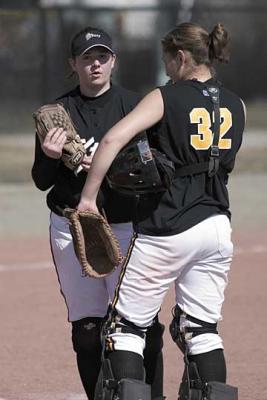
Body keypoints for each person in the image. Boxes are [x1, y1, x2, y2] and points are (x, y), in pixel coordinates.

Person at [77, 22, 246, 399]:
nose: (167, 69)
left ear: (181, 57)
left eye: (169, 61)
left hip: (168, 226)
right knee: (201, 329)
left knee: (125, 328)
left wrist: (89, 198)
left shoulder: (166, 97)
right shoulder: (237, 104)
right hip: (217, 226)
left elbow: (112, 138)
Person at [31, 26, 165, 400]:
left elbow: (155, 170)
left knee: (142, 325)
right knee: (88, 329)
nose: (95, 64)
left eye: (102, 56)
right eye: (87, 58)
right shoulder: (57, 113)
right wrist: (51, 156)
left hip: (125, 225)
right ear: (73, 64)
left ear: (113, 61)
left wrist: (110, 164)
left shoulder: (135, 106)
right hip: (72, 227)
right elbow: (42, 181)